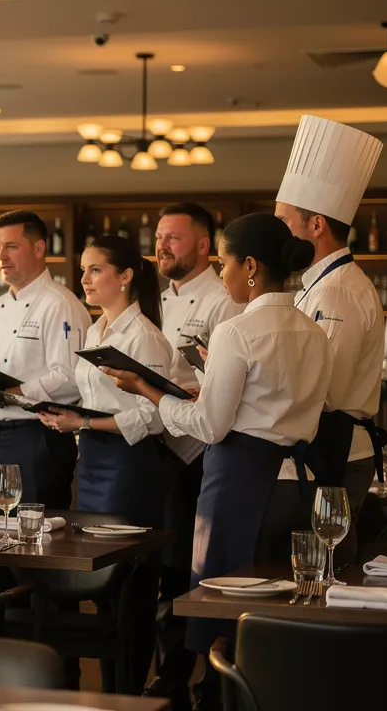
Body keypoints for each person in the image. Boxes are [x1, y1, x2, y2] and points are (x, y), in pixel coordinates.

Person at [105, 212, 330, 711]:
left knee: (225, 615)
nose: (220, 273)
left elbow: (210, 427)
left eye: (224, 263)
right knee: (278, 611)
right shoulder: (313, 331)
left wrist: (147, 390)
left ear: (250, 267)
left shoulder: (237, 330)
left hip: (241, 484)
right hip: (298, 485)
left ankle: (220, 700)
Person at [35, 234, 171, 694]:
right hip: (91, 460)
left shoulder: (146, 337)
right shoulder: (96, 330)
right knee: (102, 582)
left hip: (130, 465)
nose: (85, 279)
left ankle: (128, 692)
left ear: (126, 275)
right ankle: (110, 691)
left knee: (130, 583)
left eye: (95, 270)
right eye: (83, 270)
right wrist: (70, 417)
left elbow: (153, 416)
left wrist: (84, 422)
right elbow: (95, 398)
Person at [148, 202, 243, 707]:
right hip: (156, 447)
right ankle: (170, 675)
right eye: (159, 237)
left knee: (197, 568)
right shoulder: (156, 300)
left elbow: (227, 387)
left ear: (205, 246)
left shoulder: (224, 301)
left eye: (174, 238)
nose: (161, 246)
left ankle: (203, 677)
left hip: (202, 452)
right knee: (165, 567)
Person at [273, 115, 387, 513]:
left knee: (327, 549)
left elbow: (328, 390)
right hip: (322, 445)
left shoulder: (337, 291)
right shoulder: (319, 283)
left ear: (317, 225)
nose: (279, 233)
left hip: (338, 450)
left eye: (284, 221)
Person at [0, 211, 91, 516]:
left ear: (39, 248)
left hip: (37, 438)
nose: (1, 256)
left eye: (11, 246)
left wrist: (2, 395)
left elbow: (69, 378)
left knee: (33, 535)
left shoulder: (61, 304)